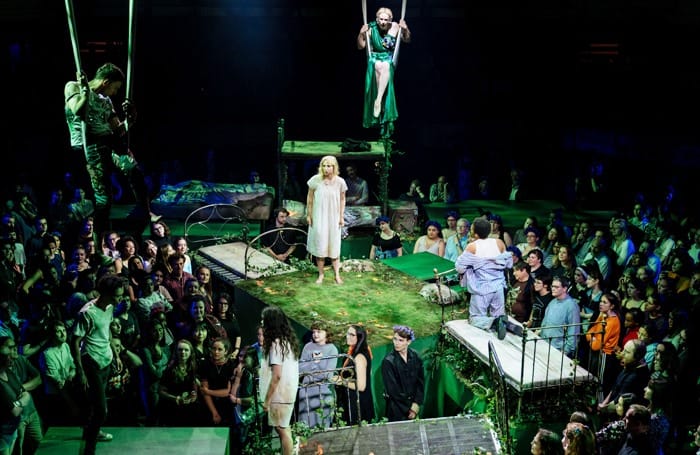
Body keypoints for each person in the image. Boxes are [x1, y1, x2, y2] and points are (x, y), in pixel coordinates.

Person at [63, 62, 161, 232]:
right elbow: (78, 111)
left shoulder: (106, 100)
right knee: (104, 200)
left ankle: (144, 210)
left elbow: (119, 130)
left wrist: (131, 119)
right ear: (105, 82)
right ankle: (98, 238)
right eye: (114, 88)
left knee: (134, 171)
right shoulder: (74, 87)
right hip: (89, 144)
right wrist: (85, 91)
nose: (115, 93)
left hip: (108, 140)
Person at [71, 273, 123, 455]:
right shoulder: (87, 312)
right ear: (106, 293)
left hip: (105, 360)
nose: (120, 299)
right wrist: (80, 371)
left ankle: (92, 430)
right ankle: (89, 449)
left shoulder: (109, 307)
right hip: (91, 362)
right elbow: (75, 341)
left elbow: (107, 331)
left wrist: (116, 355)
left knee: (96, 405)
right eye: (117, 296)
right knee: (101, 410)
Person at [455, 217, 512, 339]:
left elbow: (459, 268)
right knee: (499, 315)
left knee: (475, 319)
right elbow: (509, 263)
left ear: (475, 233)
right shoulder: (499, 243)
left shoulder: (472, 246)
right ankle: (500, 323)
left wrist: (475, 265)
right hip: (498, 287)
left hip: (481, 288)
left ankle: (494, 322)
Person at [357, 7, 411, 127]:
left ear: (390, 20)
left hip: (388, 58)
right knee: (378, 65)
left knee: (385, 65)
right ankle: (379, 100)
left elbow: (407, 39)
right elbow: (360, 46)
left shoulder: (395, 27)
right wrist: (361, 33)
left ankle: (378, 100)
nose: (383, 22)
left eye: (386, 20)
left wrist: (405, 29)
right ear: (377, 19)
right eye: (381, 19)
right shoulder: (371, 29)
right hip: (375, 58)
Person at [306, 156, 347, 285]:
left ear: (334, 167)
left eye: (329, 166)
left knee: (334, 247)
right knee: (320, 246)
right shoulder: (315, 180)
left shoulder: (340, 182)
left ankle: (337, 275)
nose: (326, 168)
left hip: (333, 218)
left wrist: (341, 216)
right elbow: (310, 199)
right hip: (319, 217)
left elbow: (342, 200)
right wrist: (309, 215)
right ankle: (321, 274)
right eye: (324, 165)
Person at [297, 321, 339, 429]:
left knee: (322, 426)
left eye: (319, 332)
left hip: (323, 393)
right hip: (306, 392)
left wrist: (311, 368)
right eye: (314, 332)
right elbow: (300, 369)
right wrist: (314, 364)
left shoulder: (332, 349)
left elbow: (327, 375)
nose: (315, 334)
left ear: (327, 333)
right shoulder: (308, 347)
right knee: (305, 428)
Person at [381, 325, 424, 422]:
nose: (396, 343)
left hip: (414, 407)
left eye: (401, 340)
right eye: (395, 339)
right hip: (396, 409)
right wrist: (410, 407)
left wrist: (416, 403)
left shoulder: (415, 356)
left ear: (408, 342)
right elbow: (393, 391)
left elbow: (420, 382)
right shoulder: (388, 361)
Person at [333, 324, 374, 425]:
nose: (348, 337)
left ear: (359, 338)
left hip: (358, 405)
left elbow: (361, 386)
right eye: (347, 334)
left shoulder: (359, 357)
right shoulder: (352, 353)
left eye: (352, 335)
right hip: (349, 402)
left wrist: (341, 381)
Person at [538, 276, 581, 358]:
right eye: (552, 286)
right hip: (545, 345)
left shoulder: (571, 306)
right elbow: (545, 323)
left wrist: (566, 350)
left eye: (556, 287)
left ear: (564, 289)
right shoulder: (552, 302)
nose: (553, 289)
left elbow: (573, 330)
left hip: (558, 350)